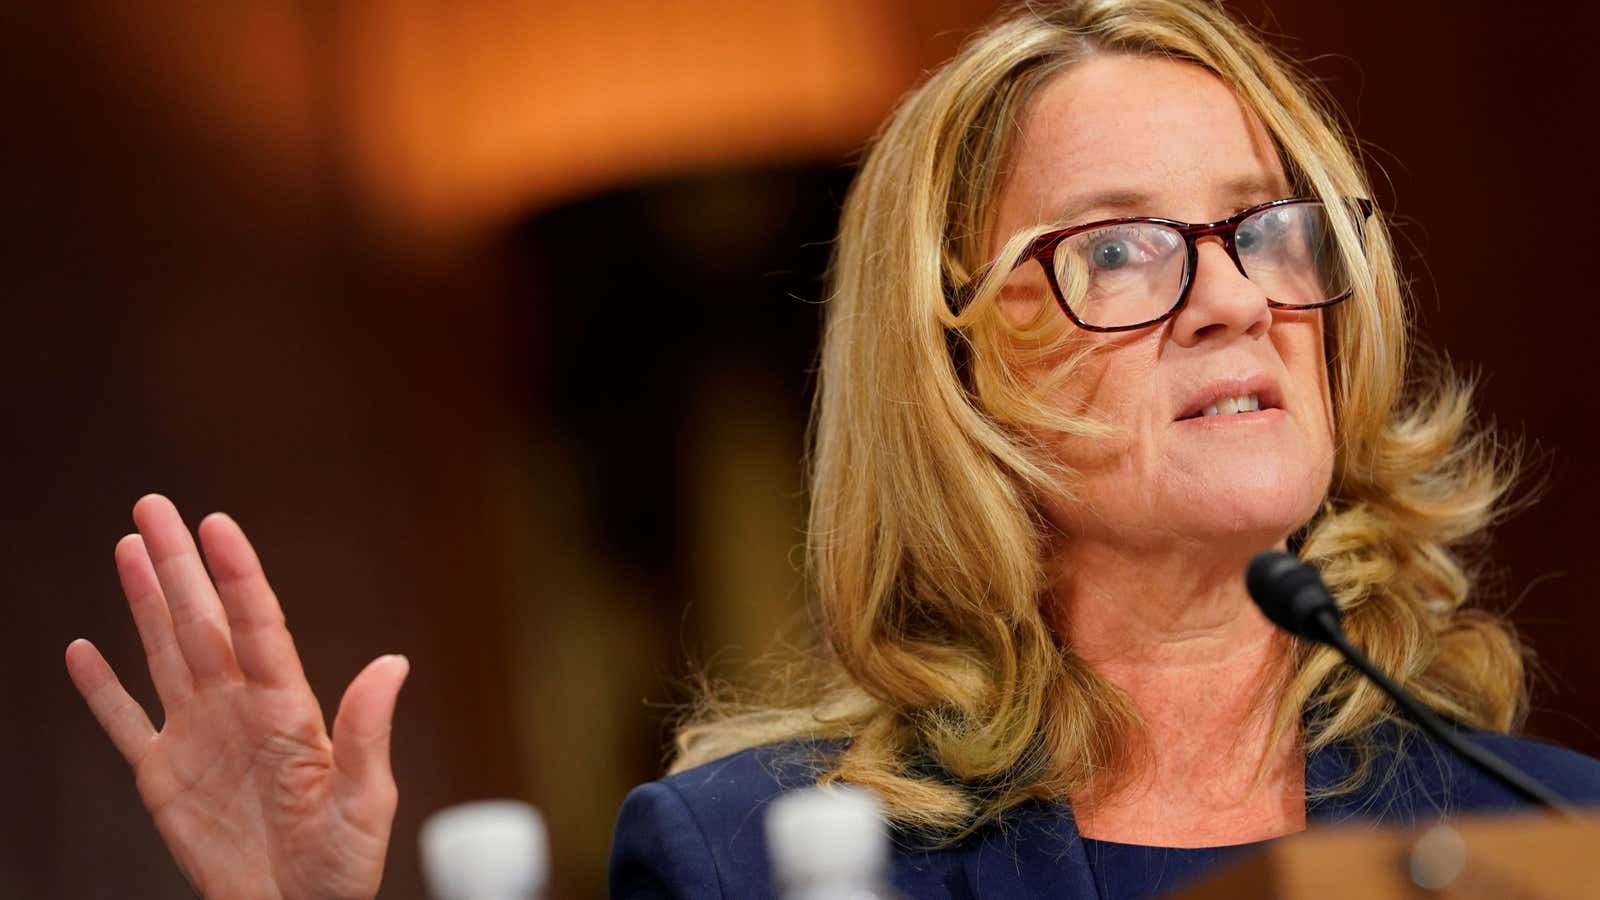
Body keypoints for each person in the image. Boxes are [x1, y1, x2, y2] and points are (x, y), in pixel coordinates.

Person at [62, 2, 1600, 899]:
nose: (1233, 304)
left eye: (1268, 230)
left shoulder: (1542, 835)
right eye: (1120, 252)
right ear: (956, 379)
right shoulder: (748, 861)